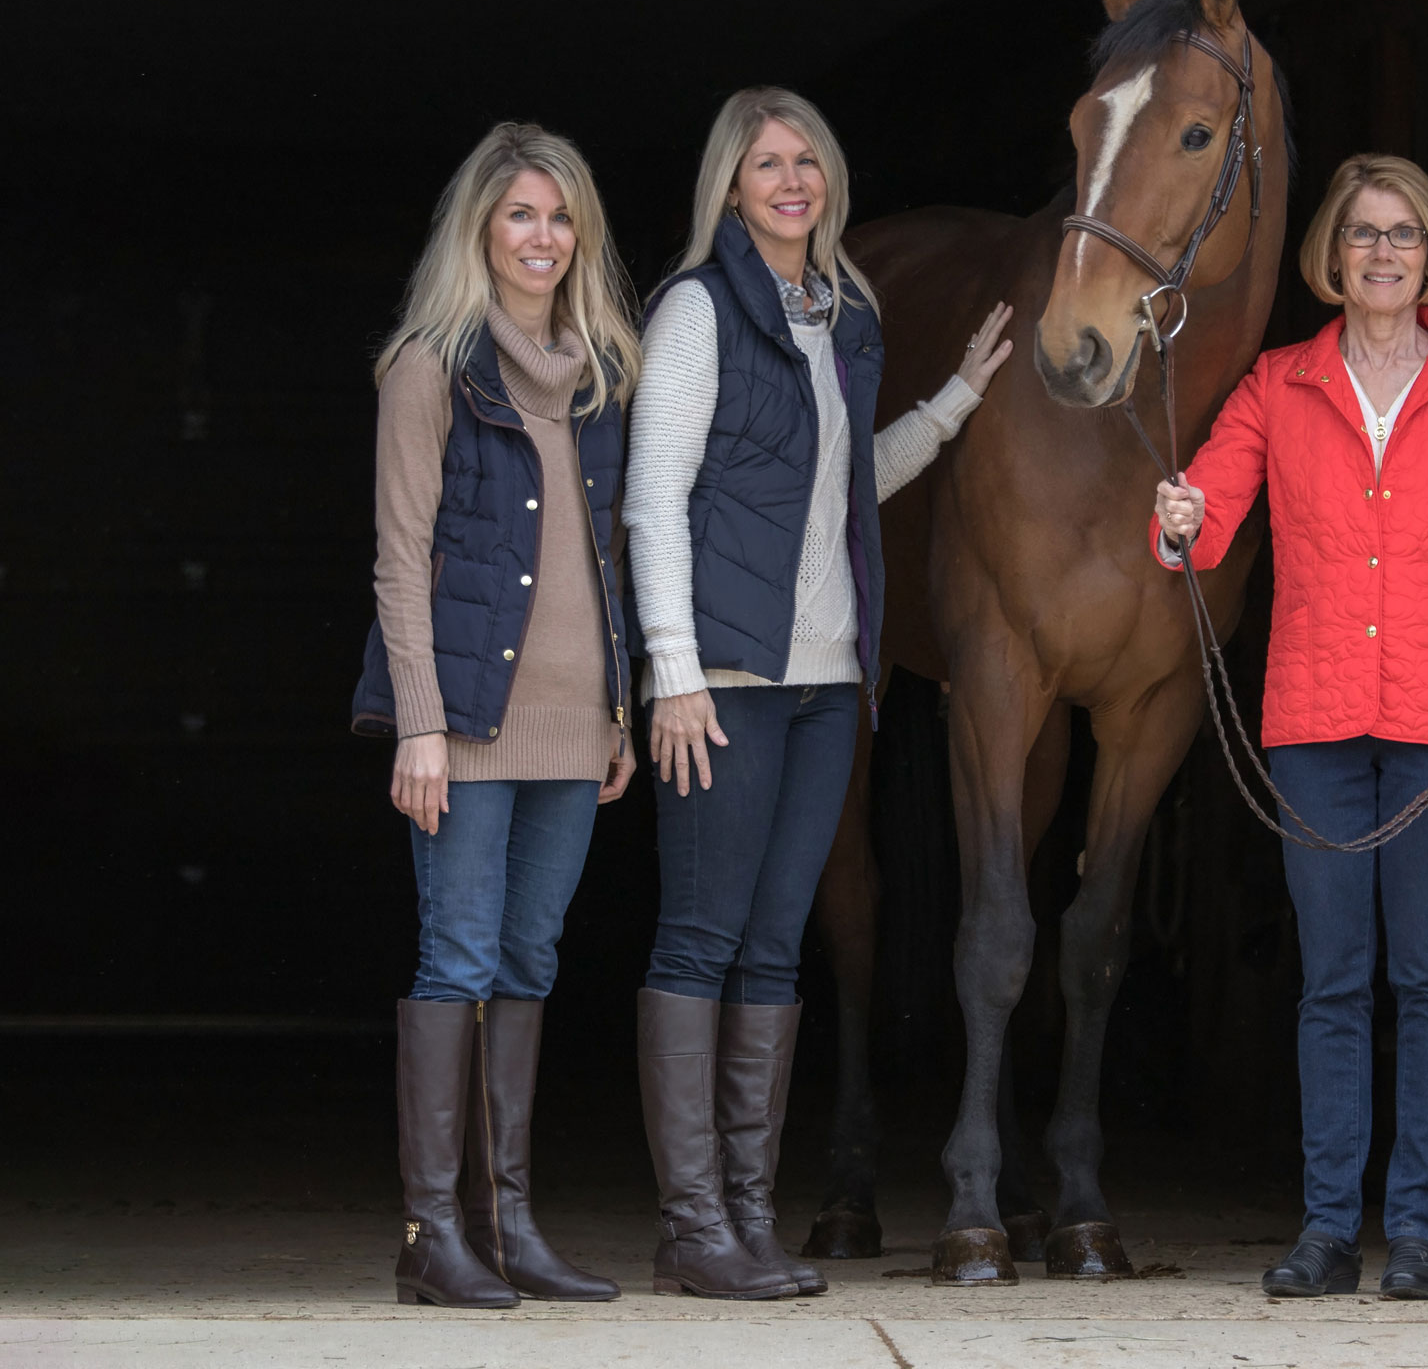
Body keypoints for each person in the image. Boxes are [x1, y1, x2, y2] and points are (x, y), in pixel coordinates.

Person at [623, 87, 1012, 1300]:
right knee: (703, 934)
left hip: (827, 683)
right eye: (765, 164)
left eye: (807, 161)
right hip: (727, 680)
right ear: (729, 187)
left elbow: (846, 488)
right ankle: (693, 1228)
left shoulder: (840, 311)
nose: (791, 181)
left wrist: (951, 407)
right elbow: (652, 497)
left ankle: (746, 1217)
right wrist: (675, 672)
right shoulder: (696, 310)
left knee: (780, 946)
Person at [1152, 154, 1428, 1301]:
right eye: (1364, 235)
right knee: (1333, 981)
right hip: (1318, 722)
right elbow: (1208, 522)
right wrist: (1180, 515)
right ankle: (1330, 1232)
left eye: (1404, 236)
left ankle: (1419, 1237)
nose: (1383, 253)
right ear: (1330, 258)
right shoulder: (1278, 386)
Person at [351, 122, 640, 1308]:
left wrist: (621, 710)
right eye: (520, 214)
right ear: (481, 228)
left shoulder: (602, 372)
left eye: (561, 216)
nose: (543, 236)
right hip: (466, 724)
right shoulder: (430, 365)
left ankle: (508, 1227)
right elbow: (399, 554)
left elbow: (610, 556)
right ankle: (432, 1236)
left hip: (578, 727)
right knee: (458, 958)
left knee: (528, 960)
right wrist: (418, 722)